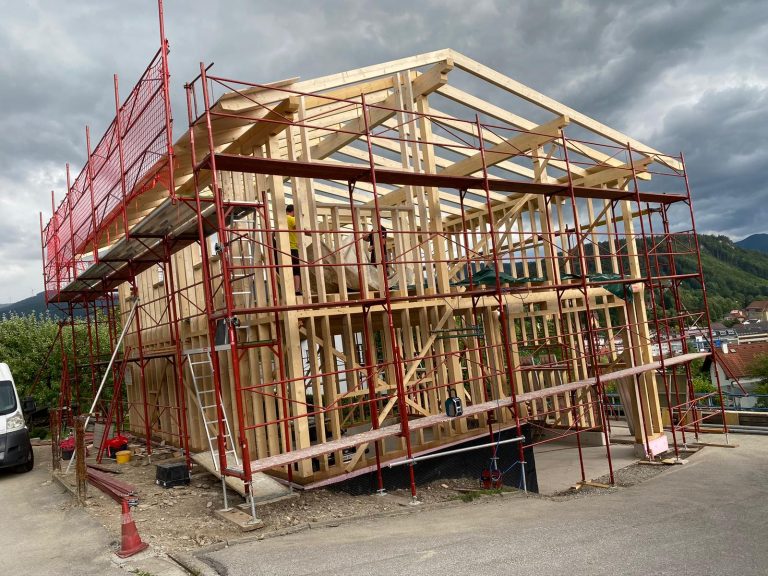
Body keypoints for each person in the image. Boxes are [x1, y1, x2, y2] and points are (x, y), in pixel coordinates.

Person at [286, 205, 310, 296]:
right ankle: (296, 290)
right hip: (293, 248)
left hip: (284, 249)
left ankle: (289, 290)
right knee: (297, 270)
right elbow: (300, 229)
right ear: (293, 211)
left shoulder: (282, 220)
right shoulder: (291, 219)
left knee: (288, 269)